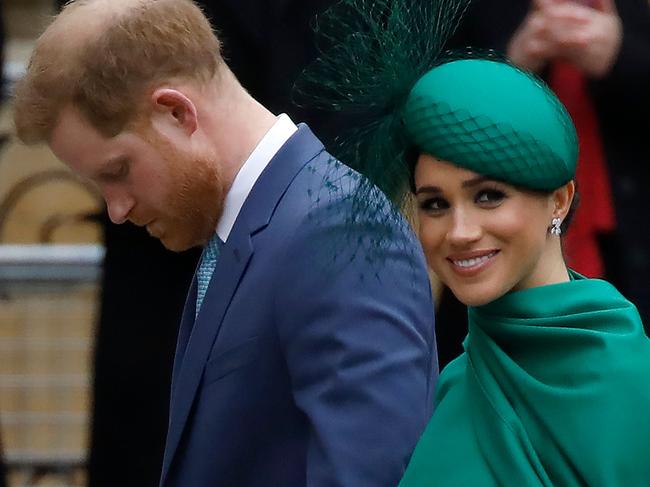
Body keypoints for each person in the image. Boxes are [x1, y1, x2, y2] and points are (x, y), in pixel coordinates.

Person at [13, 1, 437, 486]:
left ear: (176, 111)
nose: (116, 209)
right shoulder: (253, 225)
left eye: (118, 172)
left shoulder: (337, 230)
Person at [302, 0, 650, 484]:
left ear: (559, 200)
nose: (459, 232)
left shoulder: (629, 381)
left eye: (488, 196)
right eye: (435, 204)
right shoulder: (454, 382)